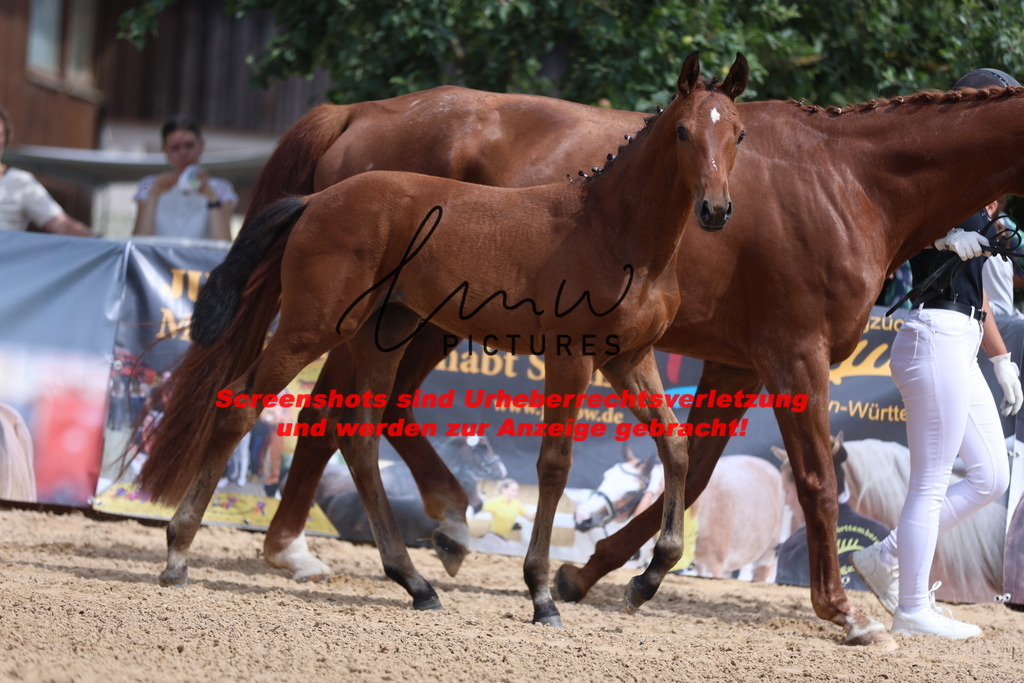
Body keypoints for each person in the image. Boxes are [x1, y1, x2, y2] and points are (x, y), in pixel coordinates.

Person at [852, 68, 1024, 639]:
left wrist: (1000, 362)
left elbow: (982, 295)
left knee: (992, 475)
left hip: (964, 336)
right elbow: (895, 228)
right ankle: (911, 609)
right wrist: (943, 238)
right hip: (932, 335)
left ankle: (885, 557)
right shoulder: (940, 172)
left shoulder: (979, 183)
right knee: (928, 481)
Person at [132, 114, 237, 241]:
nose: (183, 153)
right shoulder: (149, 184)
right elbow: (138, 242)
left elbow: (223, 244)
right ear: (164, 151)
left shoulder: (220, 188)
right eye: (175, 148)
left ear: (201, 145)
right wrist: (154, 195)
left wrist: (211, 196)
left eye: (189, 146)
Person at [0, 107, 93, 236]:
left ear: (6, 139)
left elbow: (62, 224)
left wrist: (102, 244)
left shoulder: (21, 183)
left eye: (0, 134)